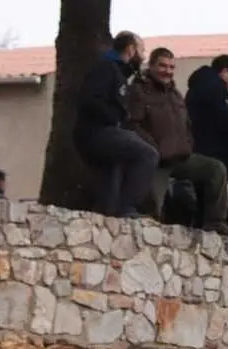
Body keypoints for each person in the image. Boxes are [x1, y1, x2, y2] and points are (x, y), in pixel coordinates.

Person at [126, 48, 228, 236]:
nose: (167, 71)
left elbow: (186, 124)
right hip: (156, 160)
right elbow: (133, 125)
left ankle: (215, 222)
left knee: (216, 169)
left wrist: (187, 143)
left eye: (171, 67)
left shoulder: (175, 94)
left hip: (181, 156)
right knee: (153, 213)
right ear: (151, 65)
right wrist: (152, 147)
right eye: (162, 65)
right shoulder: (138, 90)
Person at [73, 31, 159, 218]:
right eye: (142, 51)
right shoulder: (106, 68)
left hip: (98, 133)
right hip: (97, 133)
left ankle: (112, 213)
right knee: (147, 154)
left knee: (108, 195)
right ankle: (128, 207)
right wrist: (115, 118)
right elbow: (90, 99)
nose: (143, 57)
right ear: (130, 49)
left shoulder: (116, 71)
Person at [186, 54, 228, 181]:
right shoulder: (216, 88)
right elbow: (224, 119)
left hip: (199, 146)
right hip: (215, 150)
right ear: (224, 71)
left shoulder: (199, 85)